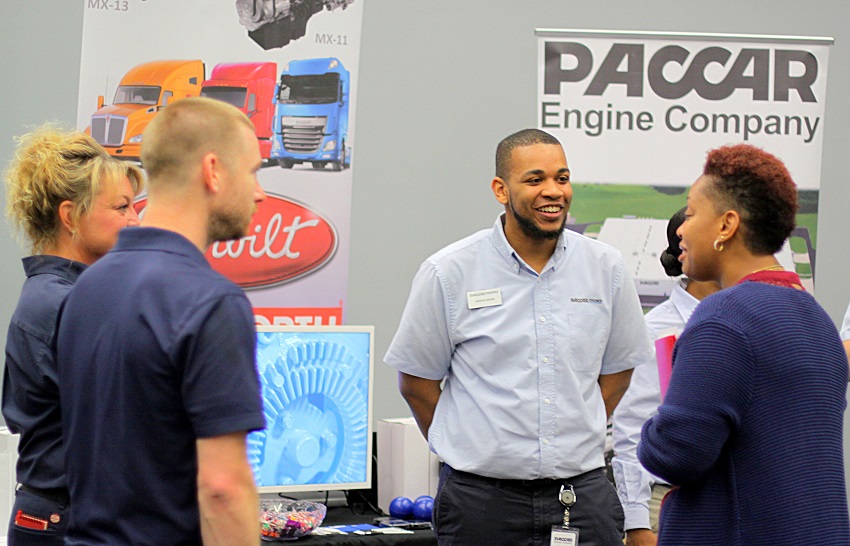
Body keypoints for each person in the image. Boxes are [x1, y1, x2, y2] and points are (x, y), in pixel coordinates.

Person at [385, 128, 653, 546]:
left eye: (562, 179)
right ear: (500, 189)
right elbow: (416, 383)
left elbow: (618, 372)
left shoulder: (607, 268)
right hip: (480, 504)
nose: (553, 191)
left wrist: (573, 430)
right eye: (535, 180)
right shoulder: (449, 272)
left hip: (581, 497)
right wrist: (471, 444)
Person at [57, 97, 267, 545]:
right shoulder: (211, 302)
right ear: (213, 171)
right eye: (252, 171)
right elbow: (223, 490)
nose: (259, 192)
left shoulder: (85, 290)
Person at [638, 144, 850, 545]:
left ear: (726, 225)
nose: (680, 229)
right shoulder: (818, 321)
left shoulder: (723, 320)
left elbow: (674, 454)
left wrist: (653, 429)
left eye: (692, 212)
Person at [1, 126, 142, 546]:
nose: (136, 220)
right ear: (69, 216)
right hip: (66, 522)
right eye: (122, 207)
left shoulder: (60, 297)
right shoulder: (64, 305)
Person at [611, 207, 720, 546]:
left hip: (738, 499)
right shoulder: (657, 330)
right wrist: (637, 521)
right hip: (668, 500)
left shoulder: (751, 318)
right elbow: (631, 430)